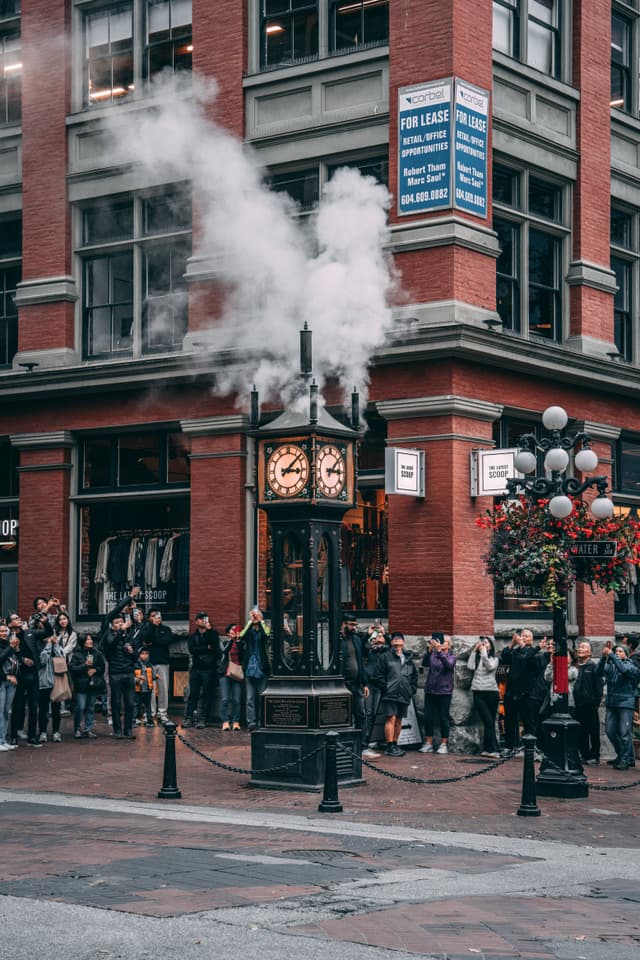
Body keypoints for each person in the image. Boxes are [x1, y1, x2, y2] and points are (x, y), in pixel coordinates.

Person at [499, 628, 546, 756]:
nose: (523, 638)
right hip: (511, 692)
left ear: (531, 639)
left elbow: (528, 658)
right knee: (510, 721)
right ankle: (509, 747)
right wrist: (512, 644)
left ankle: (531, 748)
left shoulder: (535, 652)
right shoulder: (514, 652)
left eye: (526, 636)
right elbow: (504, 659)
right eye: (522, 636)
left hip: (527, 694)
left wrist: (522, 645)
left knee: (528, 722)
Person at [596, 641, 640, 770]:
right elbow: (598, 672)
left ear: (626, 655)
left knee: (624, 733)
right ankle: (623, 755)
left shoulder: (632, 666)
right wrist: (604, 657)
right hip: (612, 702)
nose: (617, 653)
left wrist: (613, 657)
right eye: (616, 651)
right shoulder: (611, 665)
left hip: (626, 703)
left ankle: (625, 760)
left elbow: (625, 671)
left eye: (620, 651)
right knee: (610, 731)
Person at [373, 631, 418, 757]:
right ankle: (389, 745)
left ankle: (395, 744)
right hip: (390, 693)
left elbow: (414, 676)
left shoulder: (408, 658)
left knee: (399, 719)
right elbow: (379, 675)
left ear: (403, 642)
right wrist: (385, 687)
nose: (397, 643)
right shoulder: (385, 657)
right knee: (391, 717)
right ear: (391, 642)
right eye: (395, 640)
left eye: (399, 640)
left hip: (404, 693)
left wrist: (411, 689)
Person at [12, 613, 51, 747]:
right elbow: (9, 654)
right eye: (16, 619)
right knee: (18, 706)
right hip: (18, 675)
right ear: (10, 623)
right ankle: (13, 736)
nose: (19, 620)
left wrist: (45, 622)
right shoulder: (8, 636)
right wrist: (23, 660)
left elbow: (48, 632)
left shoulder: (29, 633)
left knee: (34, 706)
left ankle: (32, 737)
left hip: (33, 674)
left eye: (19, 618)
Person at [420, 632, 456, 754]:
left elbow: (449, 665)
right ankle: (428, 743)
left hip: (444, 692)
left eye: (444, 642)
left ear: (449, 645)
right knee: (428, 718)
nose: (440, 644)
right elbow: (424, 664)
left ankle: (444, 744)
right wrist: (430, 651)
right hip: (430, 690)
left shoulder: (452, 656)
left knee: (443, 719)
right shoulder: (433, 654)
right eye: (439, 641)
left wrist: (440, 651)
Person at [102, 611, 137, 740]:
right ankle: (117, 730)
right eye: (117, 623)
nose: (120, 625)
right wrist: (121, 632)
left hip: (128, 673)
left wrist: (132, 652)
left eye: (121, 623)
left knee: (130, 703)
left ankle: (128, 730)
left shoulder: (129, 637)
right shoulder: (108, 636)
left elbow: (135, 657)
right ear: (112, 625)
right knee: (116, 703)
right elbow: (110, 645)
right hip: (115, 673)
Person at [136, 608, 174, 724]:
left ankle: (162, 713)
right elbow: (145, 639)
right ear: (149, 618)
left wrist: (153, 642)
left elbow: (166, 641)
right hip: (150, 663)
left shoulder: (166, 629)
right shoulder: (147, 629)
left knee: (163, 689)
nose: (156, 617)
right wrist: (152, 630)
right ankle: (150, 713)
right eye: (153, 616)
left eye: (158, 615)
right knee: (150, 690)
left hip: (163, 662)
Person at [184, 612, 220, 728]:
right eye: (200, 619)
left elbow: (217, 651)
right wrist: (206, 648)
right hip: (196, 669)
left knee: (207, 694)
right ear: (196, 622)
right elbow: (192, 650)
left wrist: (209, 633)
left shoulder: (213, 634)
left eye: (205, 618)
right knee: (193, 694)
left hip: (209, 670)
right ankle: (189, 717)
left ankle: (203, 718)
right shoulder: (193, 636)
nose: (203, 620)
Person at [467, 635, 500, 758]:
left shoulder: (494, 659)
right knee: (487, 721)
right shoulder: (477, 657)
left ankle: (491, 749)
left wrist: (484, 653)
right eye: (482, 643)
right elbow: (470, 666)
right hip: (478, 692)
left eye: (486, 643)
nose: (483, 644)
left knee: (489, 722)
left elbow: (490, 667)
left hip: (491, 693)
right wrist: (474, 651)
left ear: (490, 646)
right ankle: (492, 749)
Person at [573, 638, 603, 765]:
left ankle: (595, 756)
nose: (581, 649)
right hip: (578, 704)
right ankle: (584, 755)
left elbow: (599, 687)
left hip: (590, 705)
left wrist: (595, 702)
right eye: (579, 647)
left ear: (590, 653)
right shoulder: (576, 667)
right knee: (581, 731)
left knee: (593, 731)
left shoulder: (593, 667)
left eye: (584, 647)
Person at [69, 634, 105, 738]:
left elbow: (102, 668)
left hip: (93, 684)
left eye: (90, 639)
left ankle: (88, 729)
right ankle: (77, 728)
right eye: (87, 639)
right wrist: (85, 666)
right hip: (81, 685)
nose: (90, 641)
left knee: (91, 707)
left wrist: (95, 670)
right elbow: (73, 669)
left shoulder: (97, 653)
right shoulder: (77, 654)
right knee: (80, 707)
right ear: (82, 641)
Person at [241, 607, 271, 731]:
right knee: (250, 698)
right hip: (249, 669)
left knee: (262, 697)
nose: (254, 618)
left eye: (256, 615)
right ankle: (251, 723)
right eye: (253, 616)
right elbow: (242, 636)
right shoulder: (249, 632)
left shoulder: (264, 628)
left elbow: (266, 635)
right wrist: (250, 622)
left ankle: (262, 722)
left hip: (262, 668)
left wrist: (261, 622)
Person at [340, 615, 368, 741]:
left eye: (355, 625)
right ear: (343, 624)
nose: (354, 628)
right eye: (351, 625)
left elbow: (361, 662)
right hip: (342, 685)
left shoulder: (356, 639)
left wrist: (364, 683)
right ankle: (345, 742)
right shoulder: (336, 640)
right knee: (344, 715)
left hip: (356, 684)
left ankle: (361, 743)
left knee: (361, 714)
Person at [362, 624, 388, 758]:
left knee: (376, 714)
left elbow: (393, 650)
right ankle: (364, 743)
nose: (378, 638)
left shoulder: (386, 651)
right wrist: (368, 635)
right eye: (376, 636)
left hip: (380, 685)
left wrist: (386, 635)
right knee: (368, 713)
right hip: (369, 684)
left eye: (380, 636)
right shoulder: (370, 650)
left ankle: (373, 740)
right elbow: (362, 648)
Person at [36, 627, 66, 743]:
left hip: (57, 679)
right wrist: (48, 645)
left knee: (56, 708)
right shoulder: (38, 644)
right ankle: (43, 731)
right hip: (44, 681)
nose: (51, 636)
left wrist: (56, 645)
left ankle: (56, 732)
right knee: (43, 708)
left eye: (52, 634)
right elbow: (43, 660)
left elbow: (61, 657)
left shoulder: (56, 645)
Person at [219, 623, 245, 731]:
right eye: (232, 630)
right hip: (225, 673)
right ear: (228, 632)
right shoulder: (224, 642)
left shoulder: (241, 643)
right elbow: (225, 650)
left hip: (237, 673)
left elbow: (243, 654)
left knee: (237, 700)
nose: (234, 632)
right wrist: (231, 640)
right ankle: (225, 721)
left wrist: (238, 641)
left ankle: (236, 722)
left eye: (235, 630)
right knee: (225, 699)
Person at [53, 610, 78, 718]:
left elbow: (69, 648)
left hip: (66, 662)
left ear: (68, 620)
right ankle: (55, 706)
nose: (63, 621)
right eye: (60, 619)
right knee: (55, 683)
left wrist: (57, 651)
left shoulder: (72, 634)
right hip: (54, 662)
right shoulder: (55, 632)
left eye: (64, 619)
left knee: (65, 683)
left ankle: (64, 707)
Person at [0, 624, 20, 751]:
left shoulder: (9, 643)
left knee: (6, 711)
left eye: (5, 631)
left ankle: (3, 739)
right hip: (2, 680)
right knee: (0, 711)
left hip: (12, 681)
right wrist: (6, 677)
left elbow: (14, 661)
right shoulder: (7, 646)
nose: (3, 633)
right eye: (1, 631)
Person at [134, 647, 158, 727]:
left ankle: (149, 720)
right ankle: (134, 719)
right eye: (142, 654)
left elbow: (153, 675)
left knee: (148, 705)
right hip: (138, 689)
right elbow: (132, 677)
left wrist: (156, 676)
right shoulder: (135, 665)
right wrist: (137, 679)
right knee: (136, 704)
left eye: (146, 654)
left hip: (148, 688)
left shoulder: (149, 665)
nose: (144, 656)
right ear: (139, 655)